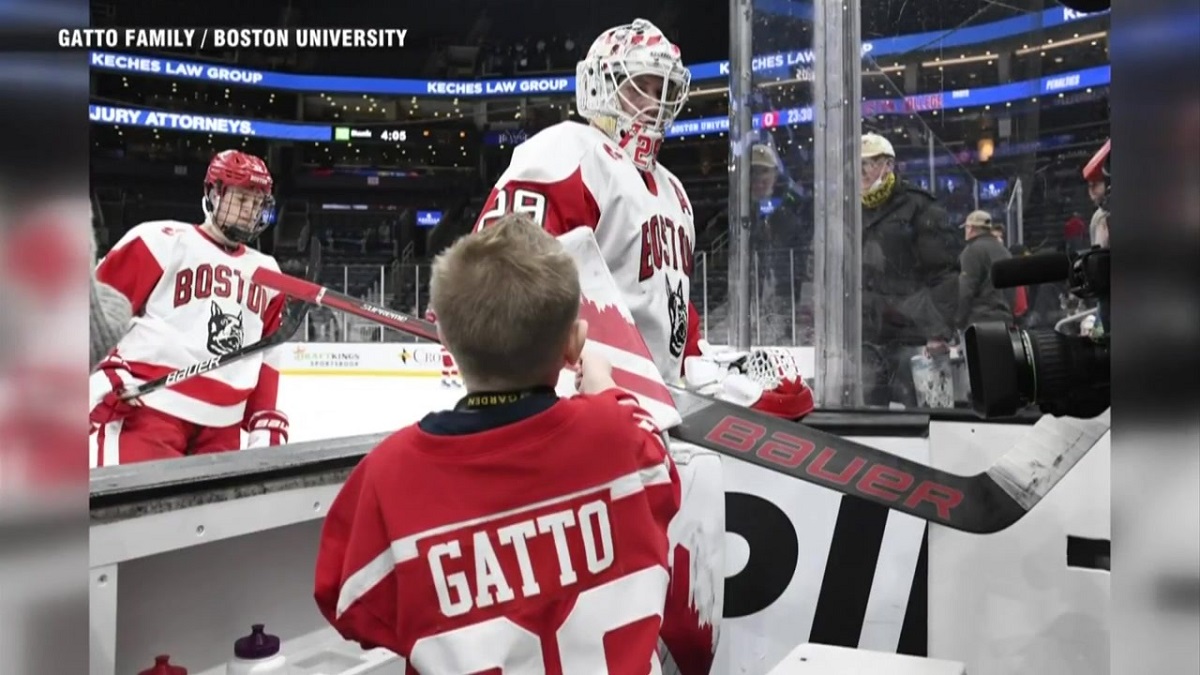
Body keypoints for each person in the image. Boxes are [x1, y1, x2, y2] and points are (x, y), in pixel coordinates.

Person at [314, 215, 685, 673]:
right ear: (574, 345)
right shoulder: (624, 432)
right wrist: (604, 385)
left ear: (446, 341)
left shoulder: (387, 476)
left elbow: (349, 605)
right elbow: (661, 481)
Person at [88, 149, 289, 467]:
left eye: (256, 204)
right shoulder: (159, 240)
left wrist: (263, 415)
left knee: (215, 518)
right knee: (135, 513)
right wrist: (103, 372)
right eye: (241, 200)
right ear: (213, 194)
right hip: (148, 410)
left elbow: (267, 352)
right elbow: (94, 311)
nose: (249, 212)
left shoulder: (268, 272)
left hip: (223, 428)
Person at [859, 132, 961, 407]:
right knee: (865, 424)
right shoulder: (849, 211)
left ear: (889, 165)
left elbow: (944, 273)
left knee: (924, 417)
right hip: (866, 338)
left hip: (911, 338)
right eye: (858, 165)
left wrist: (938, 332)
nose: (863, 171)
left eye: (870, 163)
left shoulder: (919, 206)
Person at [954, 210, 1014, 333]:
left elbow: (966, 289)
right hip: (1005, 321)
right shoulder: (1005, 252)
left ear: (970, 228)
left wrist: (958, 320)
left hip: (979, 322)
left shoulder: (972, 251)